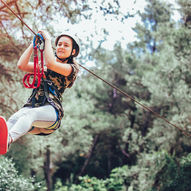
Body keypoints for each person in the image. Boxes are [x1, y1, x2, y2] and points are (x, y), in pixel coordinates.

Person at [0, 30, 80, 155]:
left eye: (66, 45)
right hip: (34, 111)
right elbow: (22, 65)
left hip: (51, 112)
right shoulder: (46, 67)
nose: (61, 47)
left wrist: (47, 40)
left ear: (73, 52)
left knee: (29, 114)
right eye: (59, 44)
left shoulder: (71, 69)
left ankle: (8, 139)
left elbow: (51, 63)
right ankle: (2, 143)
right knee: (14, 118)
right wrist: (33, 44)